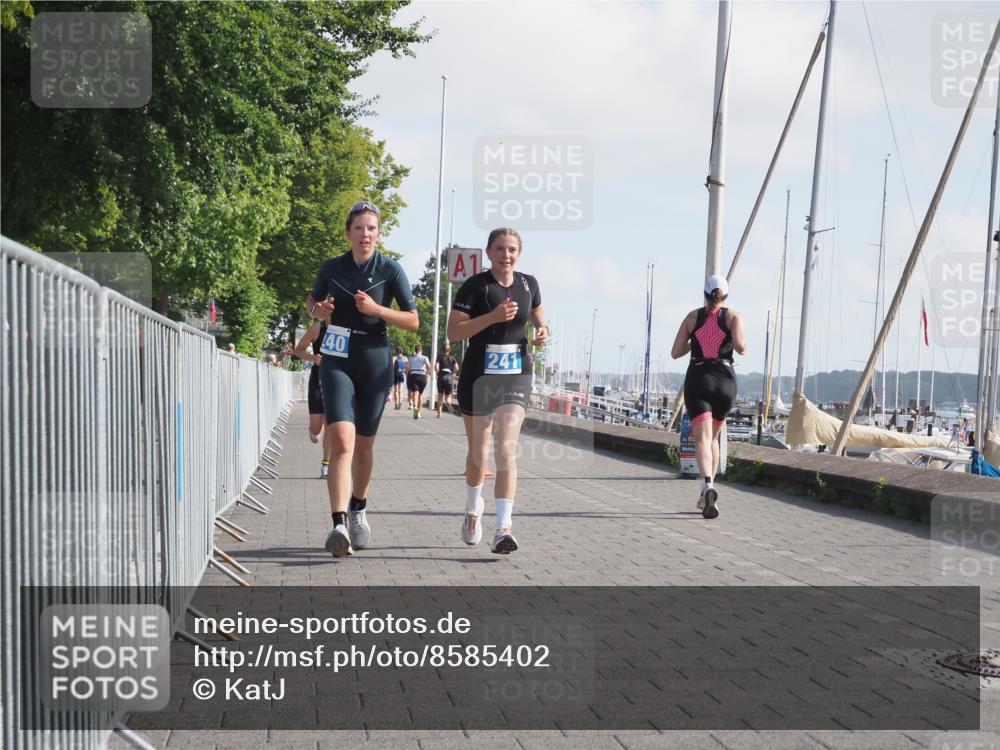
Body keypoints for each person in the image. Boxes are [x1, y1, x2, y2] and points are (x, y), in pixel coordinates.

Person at [306, 200, 419, 557]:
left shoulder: (391, 269)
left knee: (365, 447)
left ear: (378, 233)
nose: (365, 234)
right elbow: (311, 304)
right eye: (359, 228)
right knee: (341, 441)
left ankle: (358, 507)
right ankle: (338, 523)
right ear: (348, 232)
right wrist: (318, 310)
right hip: (337, 356)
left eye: (371, 228)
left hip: (374, 360)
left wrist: (377, 310)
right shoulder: (331, 267)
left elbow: (413, 320)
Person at [447, 228, 547, 554]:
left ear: (520, 253)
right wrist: (490, 317)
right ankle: (473, 509)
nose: (507, 255)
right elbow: (454, 331)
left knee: (506, 447)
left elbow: (538, 318)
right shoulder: (476, 286)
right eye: (501, 249)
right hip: (479, 376)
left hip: (516, 374)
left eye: (512, 249)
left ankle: (503, 527)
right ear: (489, 252)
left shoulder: (529, 284)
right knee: (479, 454)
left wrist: (543, 331)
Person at [670, 275, 746, 520]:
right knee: (712, 438)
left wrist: (695, 342)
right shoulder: (733, 316)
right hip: (725, 381)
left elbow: (675, 352)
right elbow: (742, 347)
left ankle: (707, 486)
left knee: (702, 439)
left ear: (704, 293)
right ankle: (706, 493)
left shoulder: (692, 317)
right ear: (725, 296)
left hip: (699, 378)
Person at [292, 320, 331, 478]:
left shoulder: (345, 326)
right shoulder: (317, 328)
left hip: (337, 380)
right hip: (317, 379)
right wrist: (313, 357)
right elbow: (298, 350)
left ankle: (326, 465)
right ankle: (314, 430)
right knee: (316, 430)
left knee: (331, 425)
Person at [405, 343, 431, 419]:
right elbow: (429, 366)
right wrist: (427, 372)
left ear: (415, 350)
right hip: (422, 376)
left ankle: (415, 407)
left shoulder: (411, 358)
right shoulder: (425, 358)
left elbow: (407, 368)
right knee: (420, 394)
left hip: (414, 376)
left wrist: (411, 370)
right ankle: (419, 412)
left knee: (415, 393)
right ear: (421, 350)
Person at [434, 343, 459, 417]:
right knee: (448, 395)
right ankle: (448, 402)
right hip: (449, 376)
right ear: (449, 350)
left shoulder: (439, 357)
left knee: (440, 395)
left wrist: (438, 373)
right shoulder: (453, 357)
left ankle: (439, 413)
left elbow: (436, 367)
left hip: (441, 376)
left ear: (443, 349)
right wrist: (453, 373)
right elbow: (457, 368)